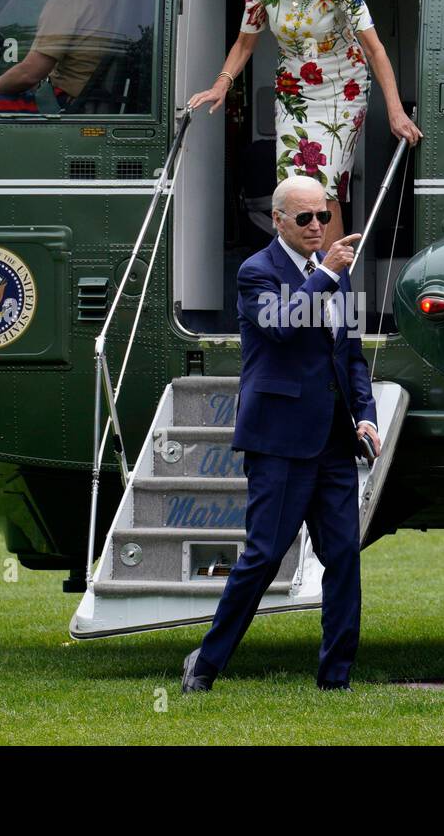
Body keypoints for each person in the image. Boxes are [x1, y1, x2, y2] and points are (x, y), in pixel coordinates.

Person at [182, 176, 381, 693]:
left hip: (336, 442)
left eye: (324, 216)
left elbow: (350, 356)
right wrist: (328, 276)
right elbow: (282, 327)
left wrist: (366, 415)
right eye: (305, 218)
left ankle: (335, 678)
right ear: (278, 220)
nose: (318, 226)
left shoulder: (339, 277)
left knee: (342, 557)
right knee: (264, 556)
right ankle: (205, 663)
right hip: (279, 441)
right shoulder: (257, 273)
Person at [187, 0, 421, 246]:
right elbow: (244, 42)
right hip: (294, 90)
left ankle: (333, 289)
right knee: (293, 193)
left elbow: (375, 50)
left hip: (343, 87)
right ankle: (306, 284)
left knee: (322, 189)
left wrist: (395, 112)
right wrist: (221, 83)